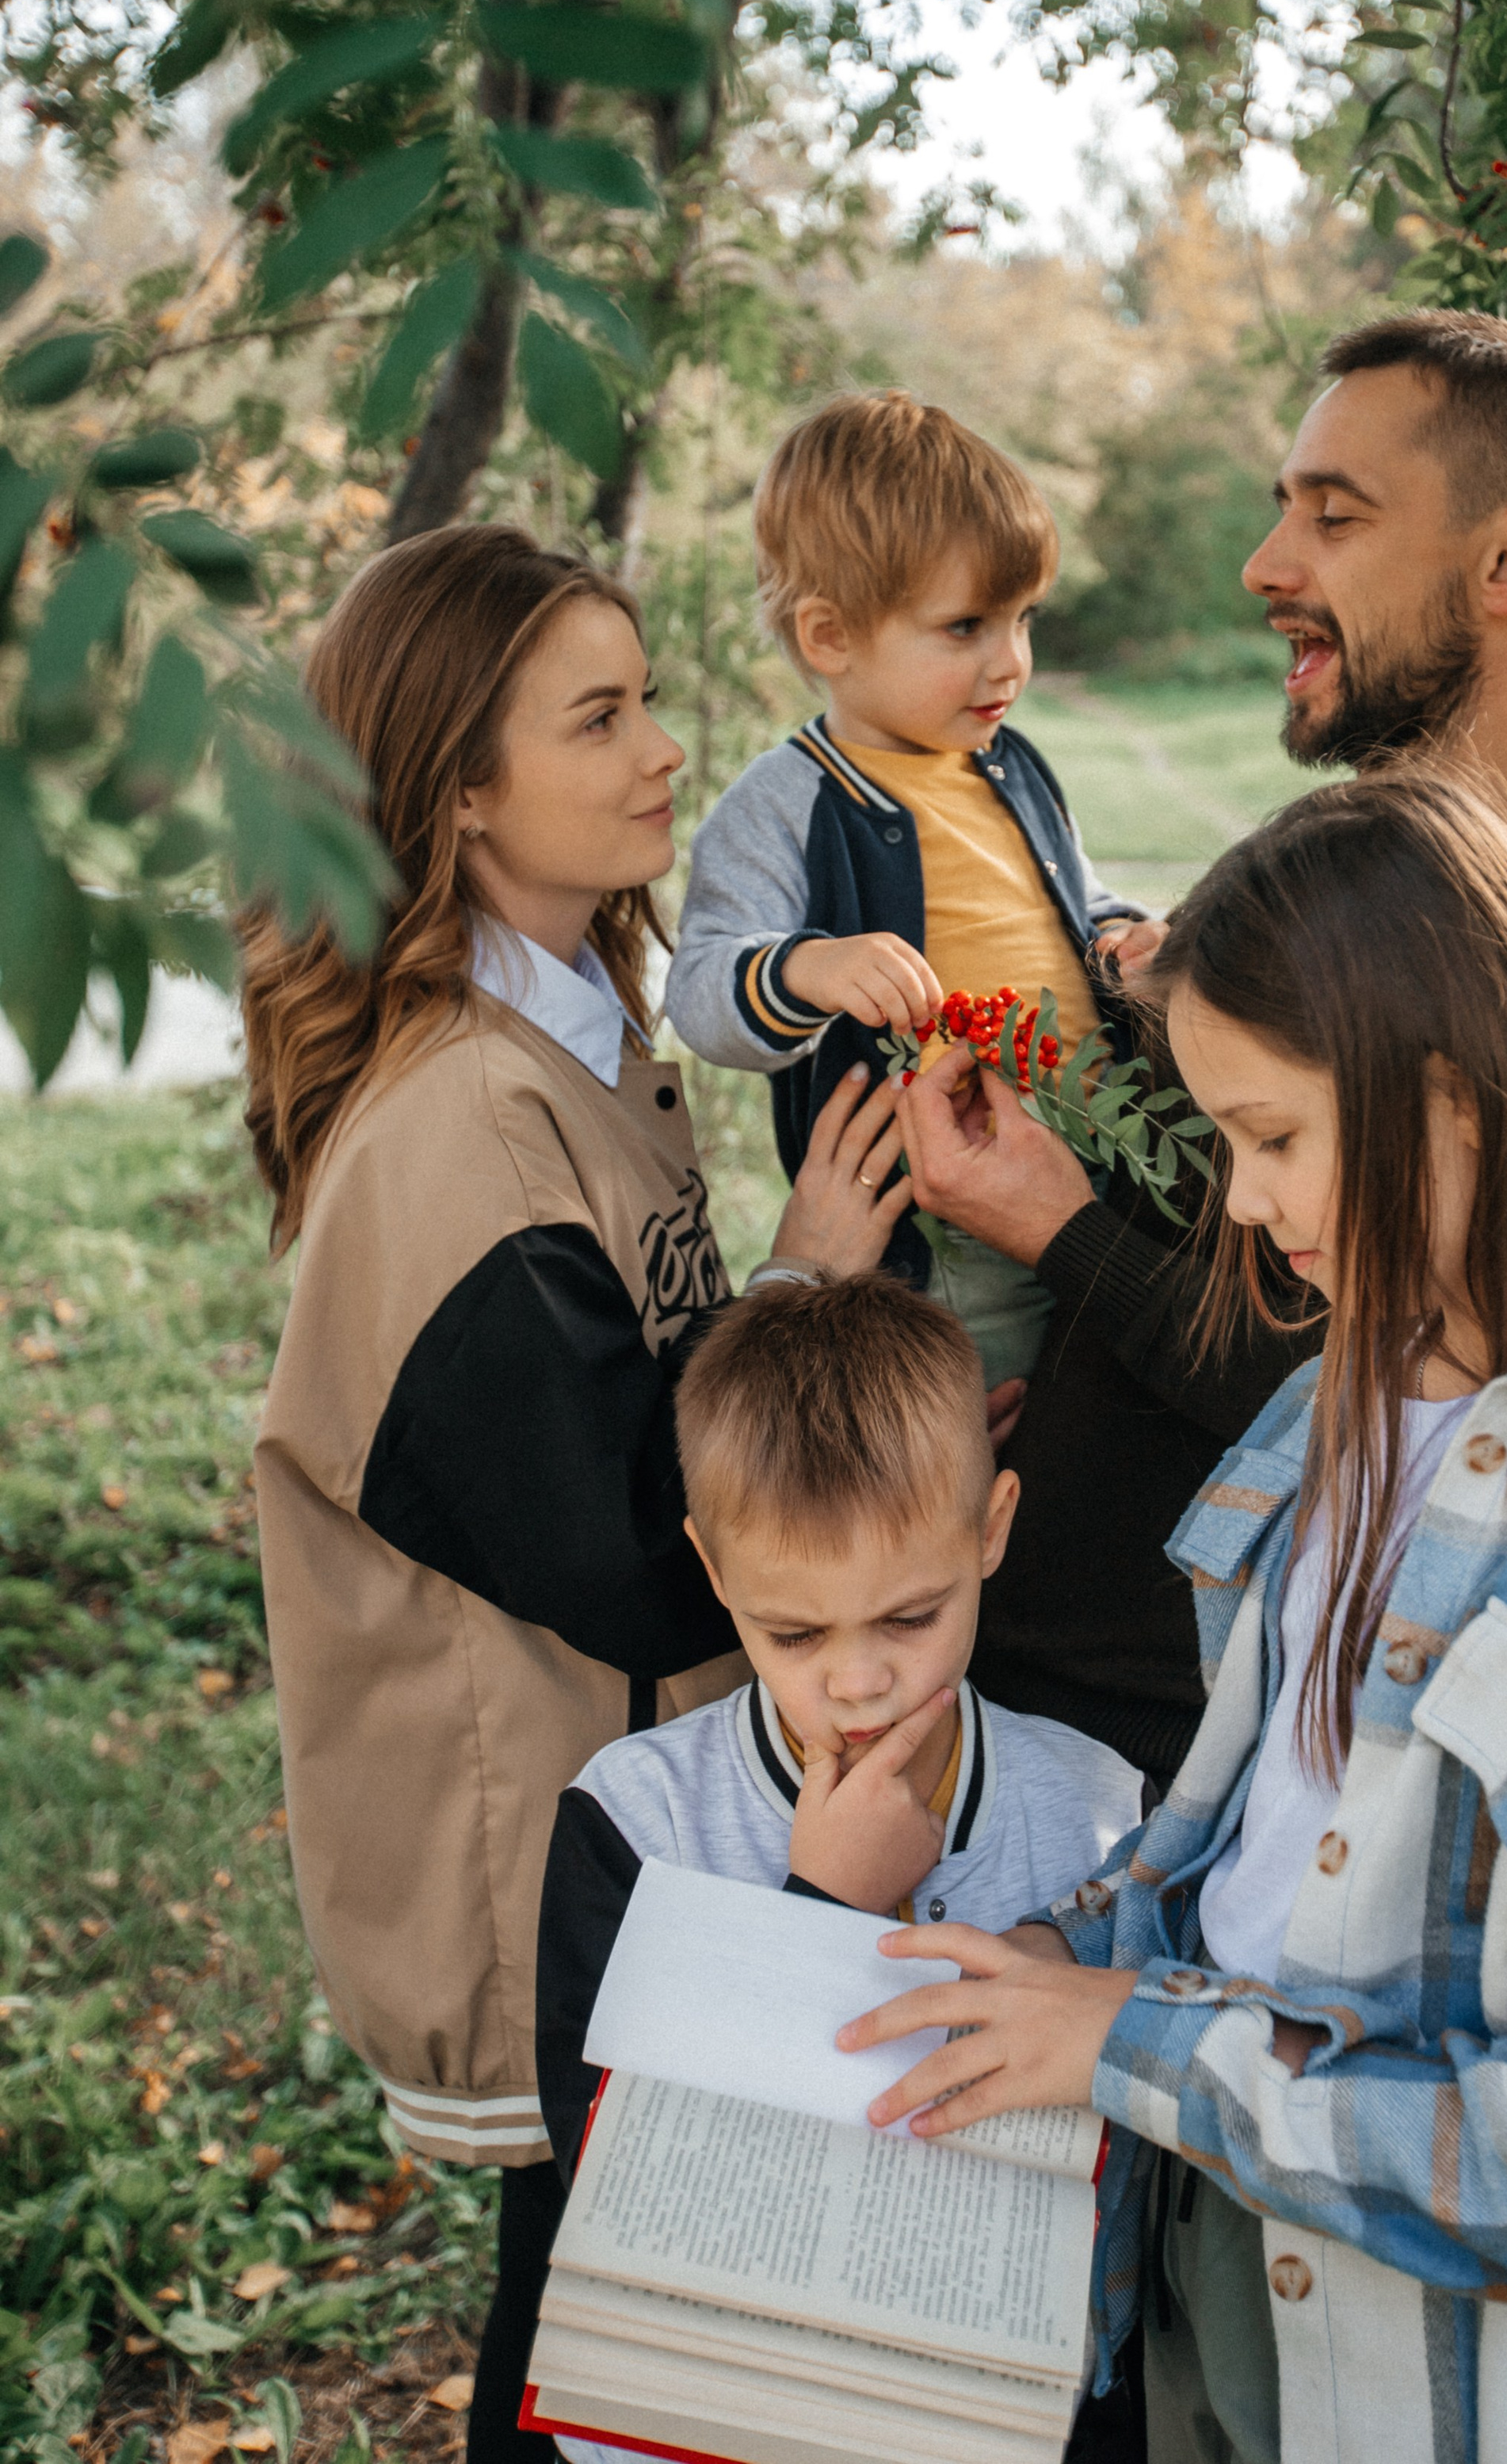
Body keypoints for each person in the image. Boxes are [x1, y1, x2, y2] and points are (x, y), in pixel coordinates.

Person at [844, 770, 1507, 2464]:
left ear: (1451, 1104)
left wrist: (1139, 2043)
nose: (1239, 1203)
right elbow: (1266, 1837)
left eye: (1268, 1140)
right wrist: (1081, 1952)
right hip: (1233, 2293)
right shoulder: (1347, 1389)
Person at [242, 525, 910, 2464]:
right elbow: (629, 1544)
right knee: (595, 2363)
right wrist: (802, 1282)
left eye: (647, 699)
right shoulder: (455, 1125)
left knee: (642, 2347)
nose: (662, 750)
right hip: (546, 1876)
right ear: (457, 787)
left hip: (630, 1845)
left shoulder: (578, 1045)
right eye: (598, 715)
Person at [900, 309, 1507, 1788]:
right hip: (1015, 1707)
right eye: (1283, 506)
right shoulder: (1311, 871)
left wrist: (1053, 1229)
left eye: (1333, 517)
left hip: (1219, 1766)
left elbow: (1463, 1453)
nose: (1266, 566)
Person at [532, 1274, 1143, 2463]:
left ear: (992, 1528)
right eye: (796, 1633)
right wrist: (822, 1914)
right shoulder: (637, 1823)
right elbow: (621, 2194)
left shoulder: (1103, 1815)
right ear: (714, 1571)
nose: (856, 1684)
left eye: (910, 1617)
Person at [666, 388, 1157, 1389]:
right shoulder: (788, 804)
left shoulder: (1010, 763)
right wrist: (809, 967)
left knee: (1109, 1402)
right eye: (966, 625)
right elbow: (703, 995)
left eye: (1021, 620)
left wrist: (1122, 938)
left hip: (1097, 1167)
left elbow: (1067, 905)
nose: (1009, 661)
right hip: (942, 1227)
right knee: (985, 1421)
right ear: (829, 638)